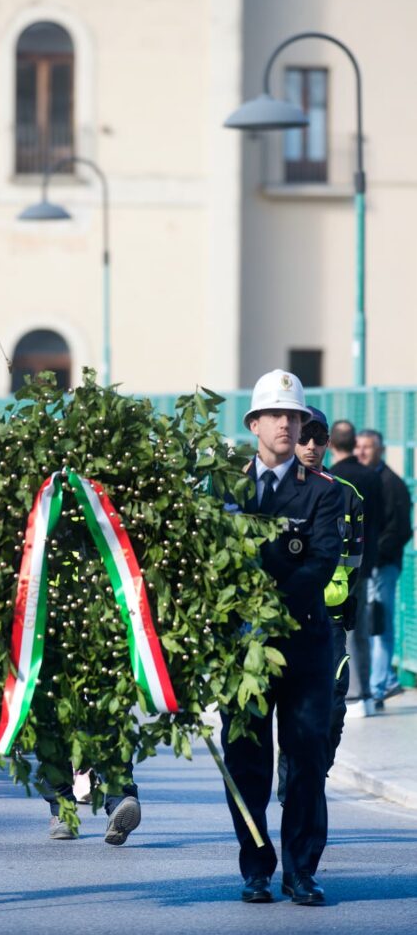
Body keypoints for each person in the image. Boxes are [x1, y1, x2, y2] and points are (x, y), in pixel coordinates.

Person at [221, 369, 343, 907]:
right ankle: (255, 866)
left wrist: (265, 608)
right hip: (240, 651)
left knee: (307, 758)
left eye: (295, 417)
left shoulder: (322, 492)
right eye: (277, 415)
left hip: (303, 646)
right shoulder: (226, 487)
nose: (288, 425)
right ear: (254, 424)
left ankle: (301, 870)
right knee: (246, 762)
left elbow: (319, 563)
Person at [278, 406, 364, 802]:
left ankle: (312, 773)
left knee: (332, 706)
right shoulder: (274, 492)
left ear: (329, 443)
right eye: (304, 438)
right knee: (289, 707)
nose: (312, 447)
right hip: (283, 620)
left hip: (328, 622)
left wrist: (350, 608)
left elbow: (356, 563)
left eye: (320, 439)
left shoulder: (347, 496)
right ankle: (290, 770)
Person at [328, 420, 383, 718]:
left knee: (346, 630)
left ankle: (353, 693)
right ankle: (368, 693)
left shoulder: (332, 481)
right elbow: (384, 517)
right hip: (366, 561)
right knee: (362, 631)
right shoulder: (373, 476)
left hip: (337, 573)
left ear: (330, 444)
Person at [355, 428, 413, 708]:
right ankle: (380, 681)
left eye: (368, 447)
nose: (362, 452)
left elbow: (401, 528)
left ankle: (379, 685)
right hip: (369, 564)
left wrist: (377, 553)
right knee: (369, 623)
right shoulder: (367, 479)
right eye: (359, 446)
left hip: (383, 566)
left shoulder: (391, 483)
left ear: (380, 450)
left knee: (379, 621)